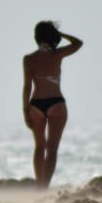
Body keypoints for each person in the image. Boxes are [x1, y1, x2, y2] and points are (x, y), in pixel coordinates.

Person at [22, 21, 83, 188]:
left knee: (39, 147)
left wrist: (25, 111)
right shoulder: (57, 55)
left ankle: (38, 185)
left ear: (36, 37)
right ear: (52, 37)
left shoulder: (29, 59)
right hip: (56, 103)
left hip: (36, 105)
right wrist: (60, 34)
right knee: (52, 149)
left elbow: (27, 87)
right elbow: (78, 43)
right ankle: (44, 187)